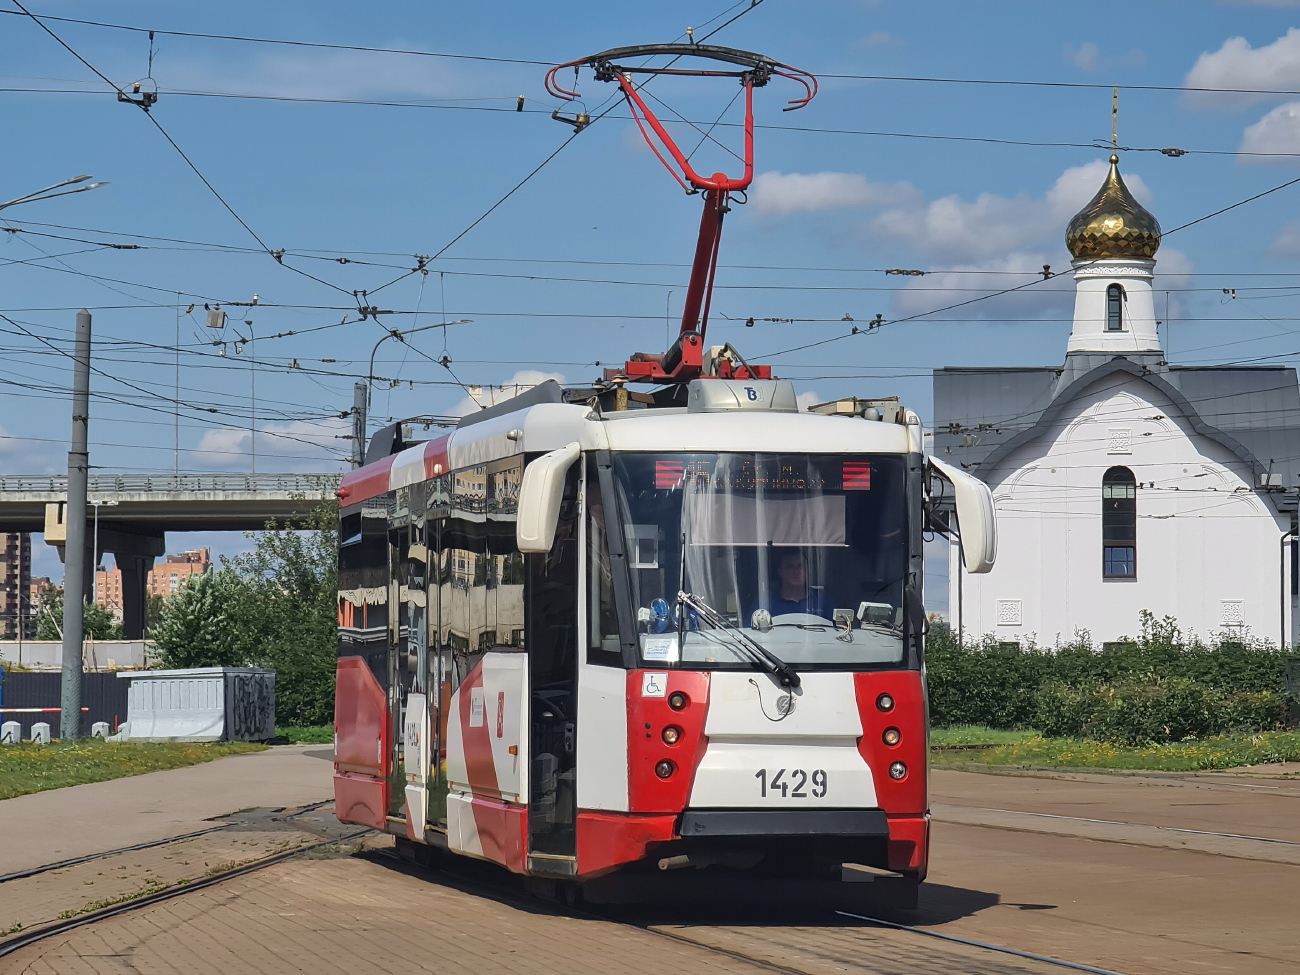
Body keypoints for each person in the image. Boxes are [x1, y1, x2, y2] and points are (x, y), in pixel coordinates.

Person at [760, 549, 834, 619]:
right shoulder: (766, 602)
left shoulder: (822, 601)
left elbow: (840, 629)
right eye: (790, 567)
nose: (796, 571)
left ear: (807, 571)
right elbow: (750, 629)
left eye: (800, 566)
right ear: (780, 571)